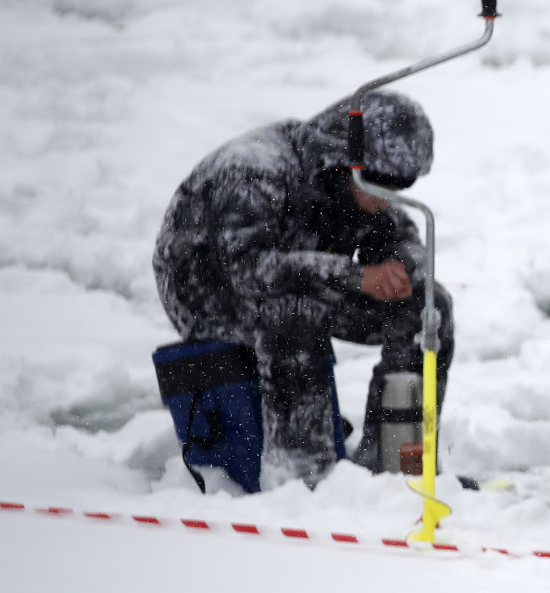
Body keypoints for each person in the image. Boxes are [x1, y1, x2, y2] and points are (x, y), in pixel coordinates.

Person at [153, 90, 451, 488]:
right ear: (345, 160)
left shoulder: (358, 186)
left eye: (401, 186)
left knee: (428, 307)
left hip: (306, 281)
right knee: (294, 310)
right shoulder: (254, 171)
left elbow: (404, 236)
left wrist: (399, 266)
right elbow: (250, 271)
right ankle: (302, 475)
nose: (389, 199)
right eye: (381, 185)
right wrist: (357, 277)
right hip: (214, 299)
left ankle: (399, 460)